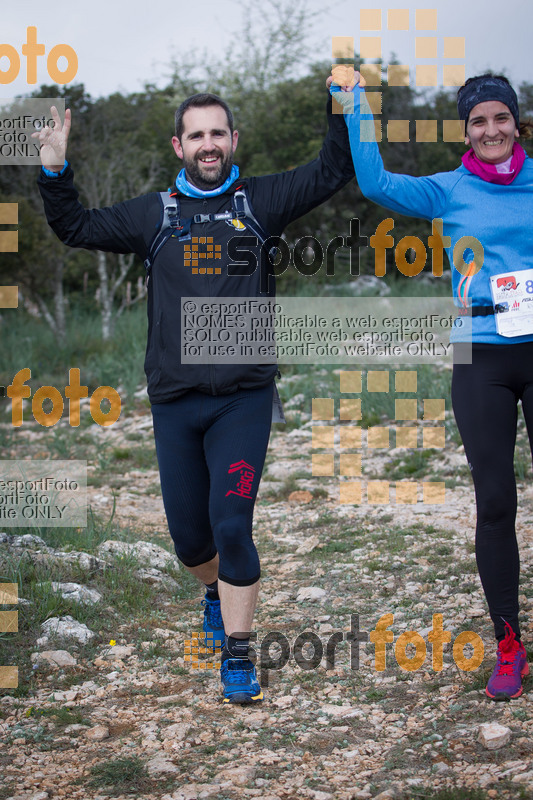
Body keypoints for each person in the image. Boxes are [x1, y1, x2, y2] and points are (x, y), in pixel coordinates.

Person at [35, 88, 354, 704]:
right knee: (190, 542)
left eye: (219, 133)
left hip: (244, 398)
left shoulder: (260, 200)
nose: (209, 144)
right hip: (176, 402)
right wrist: (54, 169)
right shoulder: (155, 213)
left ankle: (239, 654)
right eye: (197, 136)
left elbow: (332, 170)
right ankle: (212, 589)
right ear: (179, 146)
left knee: (232, 524)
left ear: (234, 141)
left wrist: (339, 103)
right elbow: (72, 227)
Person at [329, 71, 531, 700]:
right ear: (466, 132)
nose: (491, 130)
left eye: (501, 118)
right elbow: (375, 183)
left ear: (516, 124)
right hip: (479, 353)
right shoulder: (449, 191)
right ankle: (508, 645)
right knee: (495, 502)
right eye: (478, 122)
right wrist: (356, 105)